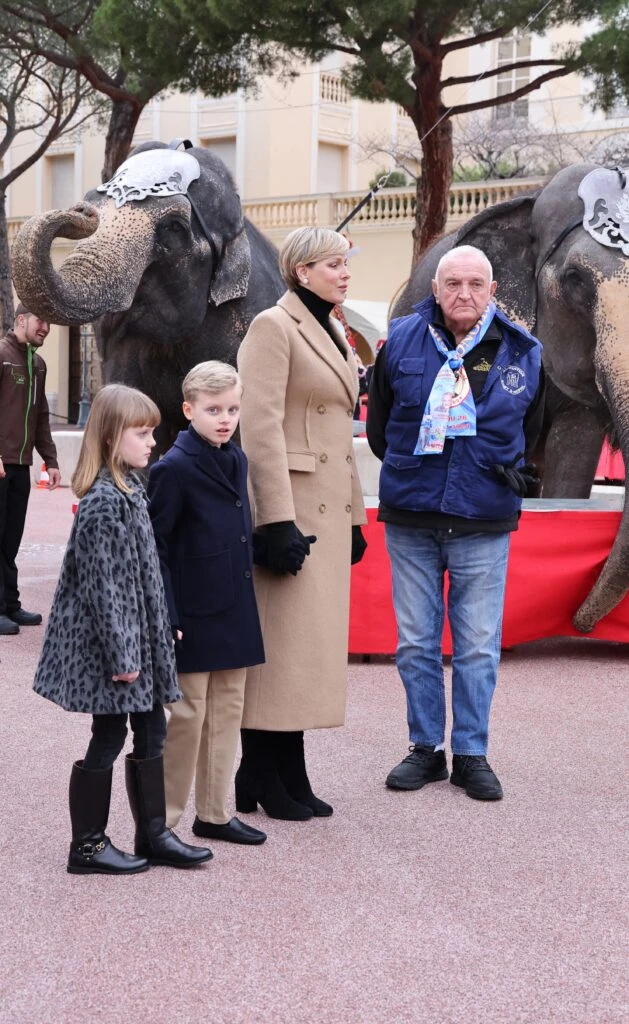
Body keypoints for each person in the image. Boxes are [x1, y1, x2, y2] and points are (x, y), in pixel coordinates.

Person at [367, 245, 545, 801]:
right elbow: (377, 428)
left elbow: (531, 429)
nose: (463, 294)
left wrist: (499, 471)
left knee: (475, 645)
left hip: (483, 517)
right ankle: (425, 749)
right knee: (417, 642)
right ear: (436, 289)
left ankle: (471, 753)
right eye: (453, 284)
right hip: (412, 514)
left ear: (493, 291)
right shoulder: (400, 340)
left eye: (475, 284)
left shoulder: (523, 352)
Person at [33, 384, 212, 874]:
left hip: (140, 642)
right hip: (114, 651)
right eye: (143, 432)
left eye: (153, 431)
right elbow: (105, 589)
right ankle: (87, 846)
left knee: (152, 728)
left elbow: (142, 575)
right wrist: (124, 657)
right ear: (113, 437)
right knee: (109, 735)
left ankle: (152, 834)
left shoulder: (131, 489)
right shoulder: (104, 502)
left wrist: (160, 627)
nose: (152, 441)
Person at [235, 226, 368, 821]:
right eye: (332, 263)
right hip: (291, 514)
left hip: (328, 510)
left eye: (345, 262)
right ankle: (260, 770)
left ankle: (287, 768)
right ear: (300, 270)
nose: (344, 272)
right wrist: (275, 520)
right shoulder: (272, 327)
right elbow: (258, 428)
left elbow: (343, 434)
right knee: (283, 649)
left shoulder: (334, 330)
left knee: (305, 652)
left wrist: (358, 516)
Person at [147, 361, 267, 848]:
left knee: (227, 712)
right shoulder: (171, 469)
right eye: (214, 409)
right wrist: (170, 615)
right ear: (188, 409)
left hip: (234, 606)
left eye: (233, 409)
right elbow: (157, 548)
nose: (225, 418)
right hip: (193, 613)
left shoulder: (236, 459)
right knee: (189, 715)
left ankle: (214, 813)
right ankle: (164, 822)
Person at [0, 303, 61, 635]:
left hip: (21, 466)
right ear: (21, 320)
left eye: (49, 323)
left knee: (11, 540)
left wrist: (50, 461)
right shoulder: (2, 355)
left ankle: (10, 605)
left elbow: (40, 419)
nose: (46, 328)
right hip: (0, 462)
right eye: (41, 320)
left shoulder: (38, 364)